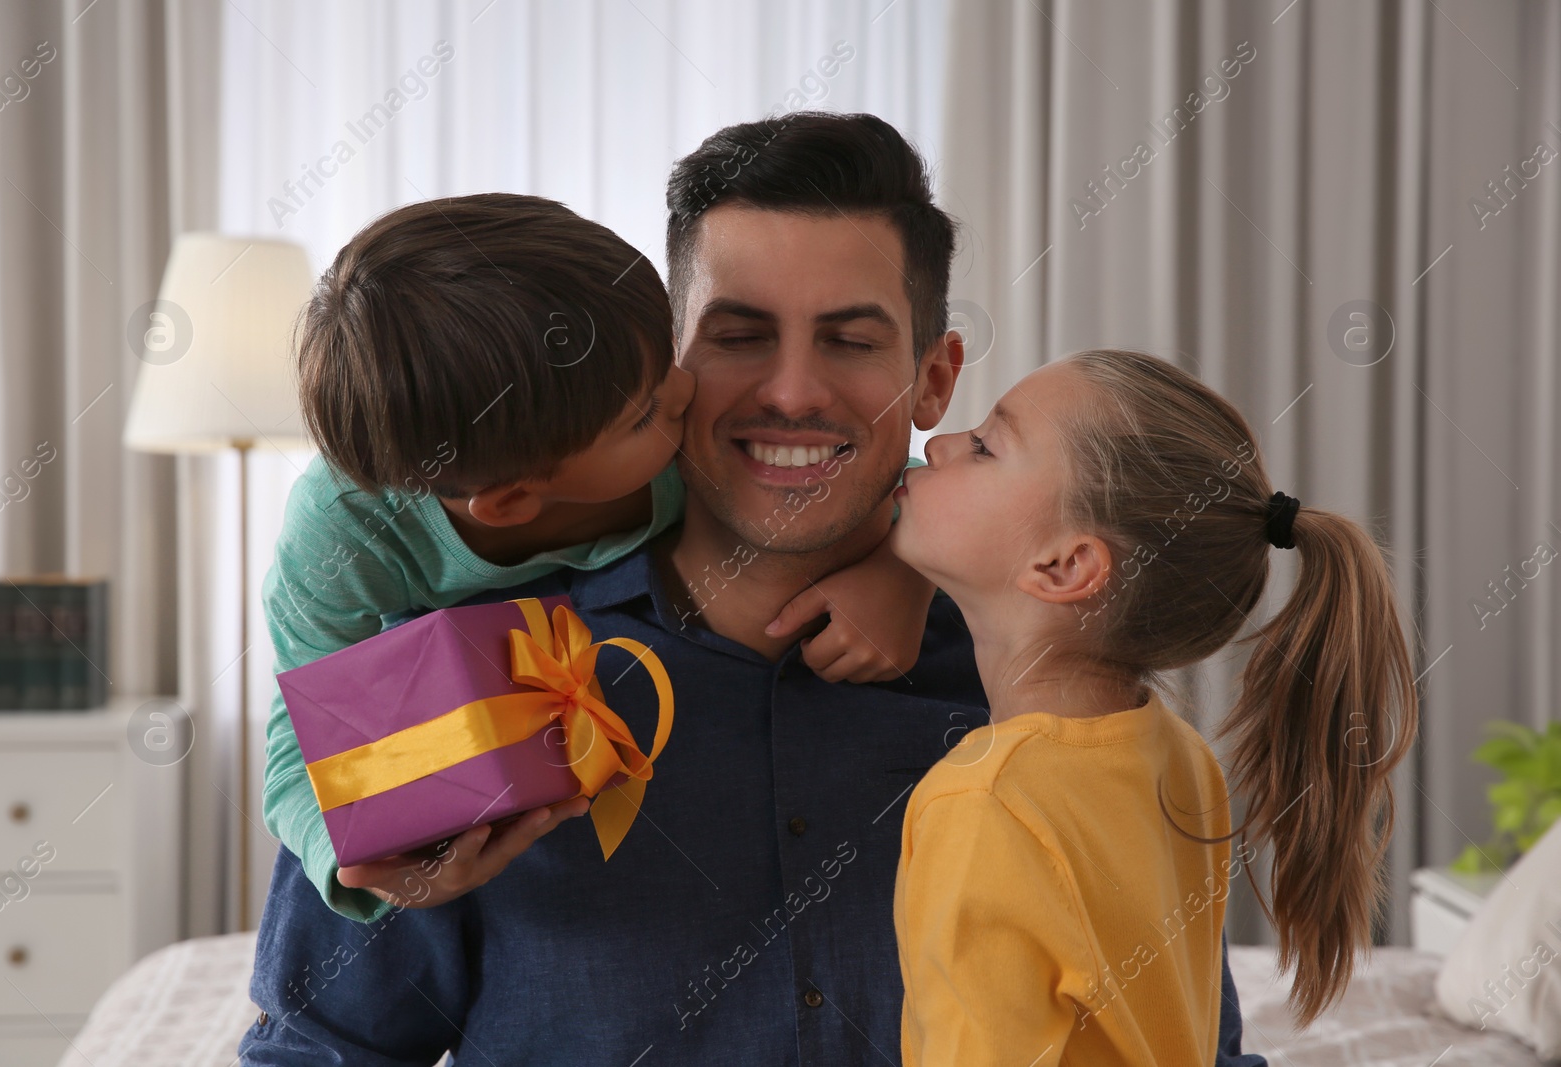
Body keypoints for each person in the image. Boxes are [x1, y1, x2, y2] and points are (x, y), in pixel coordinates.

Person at [240, 113, 1266, 1066]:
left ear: (934, 379)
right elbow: (314, 1049)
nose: (790, 392)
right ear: (667, 368)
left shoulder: (1062, 707)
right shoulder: (458, 678)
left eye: (850, 340)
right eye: (736, 336)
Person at [261, 192, 934, 920]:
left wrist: (905, 569)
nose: (685, 389)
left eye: (665, 353)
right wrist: (362, 866)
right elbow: (301, 745)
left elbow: (881, 466)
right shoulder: (340, 539)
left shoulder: (684, 444)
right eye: (643, 411)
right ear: (514, 501)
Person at [891, 350, 1417, 1063]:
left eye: (985, 445)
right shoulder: (1178, 756)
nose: (942, 442)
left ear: (1065, 566)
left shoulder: (981, 804)